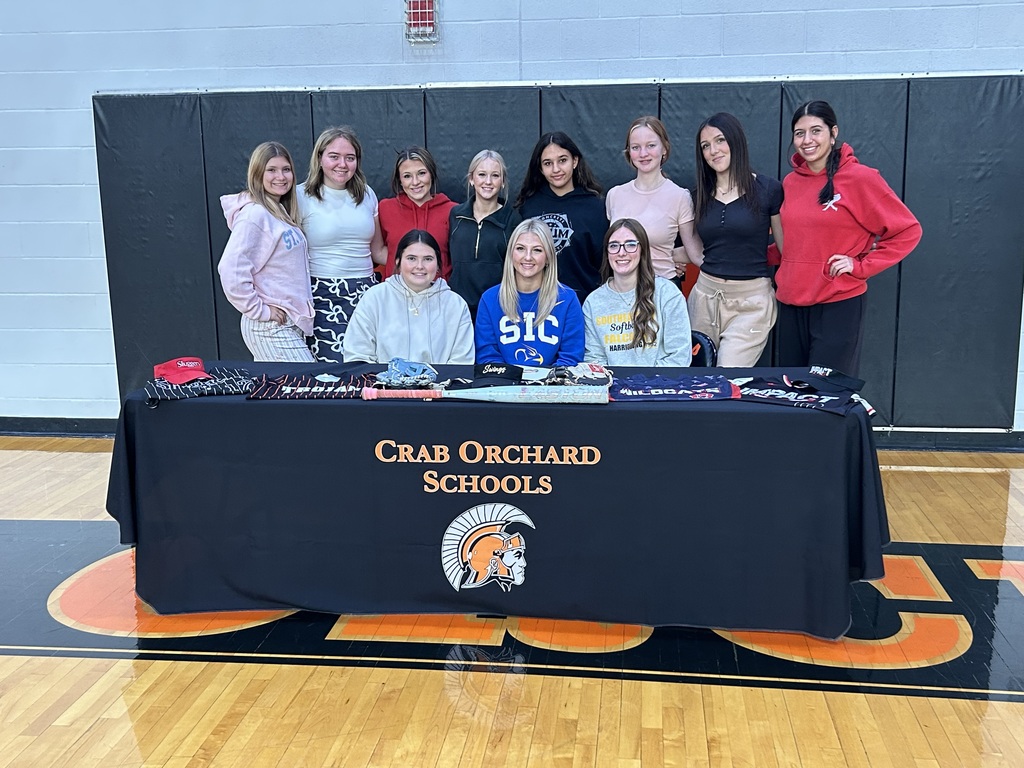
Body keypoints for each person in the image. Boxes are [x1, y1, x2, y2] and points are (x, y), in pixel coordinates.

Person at [776, 100, 922, 376]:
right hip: (791, 303)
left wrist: (861, 266)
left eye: (816, 131)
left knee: (828, 394)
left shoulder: (860, 178)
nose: (807, 140)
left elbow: (907, 230)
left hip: (837, 303)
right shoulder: (790, 183)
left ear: (833, 134)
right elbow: (793, 243)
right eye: (799, 133)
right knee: (792, 394)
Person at [687, 112, 783, 367]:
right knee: (698, 382)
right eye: (705, 146)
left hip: (750, 303)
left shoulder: (768, 190)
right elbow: (692, 249)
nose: (713, 151)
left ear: (736, 141)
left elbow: (786, 248)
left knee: (726, 375)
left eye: (720, 141)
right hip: (704, 299)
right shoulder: (698, 196)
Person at [218, 141, 314, 363]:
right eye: (271, 170)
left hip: (289, 323)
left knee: (284, 395)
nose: (280, 177)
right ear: (257, 174)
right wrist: (262, 311)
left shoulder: (278, 211)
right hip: (269, 327)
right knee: (308, 389)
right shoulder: (255, 215)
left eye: (286, 170)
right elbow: (231, 270)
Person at [298, 126, 384, 363]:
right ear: (320, 158)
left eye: (350, 158)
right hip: (321, 295)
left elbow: (377, 252)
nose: (342, 164)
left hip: (365, 293)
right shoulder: (299, 196)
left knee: (368, 365)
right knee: (332, 371)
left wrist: (420, 261)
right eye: (334, 156)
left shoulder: (367, 194)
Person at [343, 230, 473, 365]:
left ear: (438, 264)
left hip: (441, 384)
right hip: (381, 384)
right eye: (411, 258)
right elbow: (358, 354)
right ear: (398, 262)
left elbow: (462, 361)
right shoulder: (375, 298)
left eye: (428, 259)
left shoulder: (455, 305)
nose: (420, 266)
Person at [605, 116, 704, 289]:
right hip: (622, 291)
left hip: (663, 290)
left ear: (664, 148)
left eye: (651, 145)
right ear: (629, 152)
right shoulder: (614, 195)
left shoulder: (679, 196)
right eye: (636, 147)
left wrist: (667, 255)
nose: (643, 154)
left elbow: (694, 252)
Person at [514, 132, 608, 307]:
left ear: (575, 161)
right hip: (536, 306)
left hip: (584, 306)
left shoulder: (595, 208)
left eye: (562, 160)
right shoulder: (527, 207)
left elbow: (603, 265)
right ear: (540, 169)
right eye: (548, 163)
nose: (556, 169)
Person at [475, 218, 584, 367]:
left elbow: (571, 357)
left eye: (537, 250)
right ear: (511, 254)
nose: (527, 257)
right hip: (504, 386)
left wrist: (545, 384)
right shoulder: (490, 299)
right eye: (520, 248)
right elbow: (488, 356)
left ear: (548, 257)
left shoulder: (567, 299)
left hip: (552, 387)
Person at [584, 219, 691, 366]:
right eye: (614, 246)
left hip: (660, 385)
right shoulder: (593, 302)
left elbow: (679, 356)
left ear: (643, 250)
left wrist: (643, 384)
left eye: (631, 245)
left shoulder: (668, 294)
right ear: (607, 252)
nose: (622, 253)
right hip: (613, 386)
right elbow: (594, 359)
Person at [448, 149, 523, 318]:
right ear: (471, 179)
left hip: (497, 309)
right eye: (482, 174)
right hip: (458, 308)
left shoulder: (513, 220)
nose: (488, 181)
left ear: (503, 181)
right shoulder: (456, 215)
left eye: (495, 175)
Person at [378, 146, 455, 282]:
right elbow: (378, 251)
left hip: (438, 294)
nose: (415, 182)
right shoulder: (385, 208)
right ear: (400, 181)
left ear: (431, 173)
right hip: (396, 294)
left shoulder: (452, 211)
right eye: (407, 176)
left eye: (421, 173)